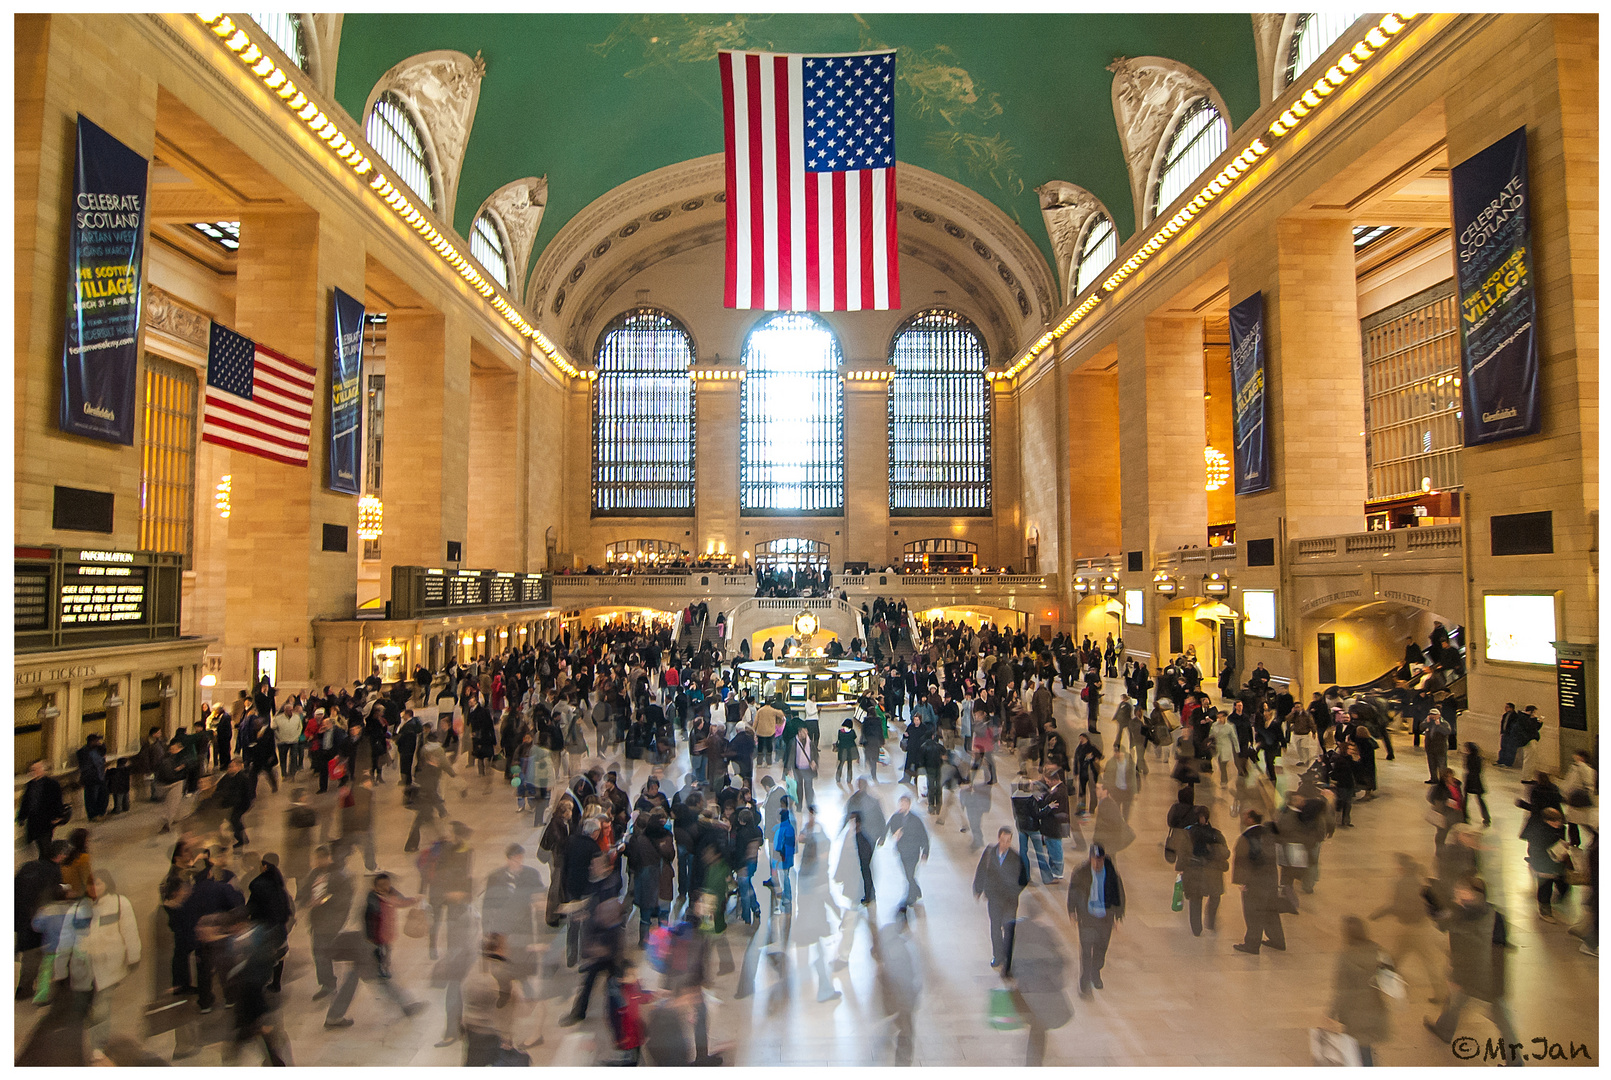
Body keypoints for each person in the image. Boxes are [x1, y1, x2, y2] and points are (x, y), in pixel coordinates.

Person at [1423, 877, 1520, 1050]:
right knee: (1456, 1001)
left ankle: (1514, 1060)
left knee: (1499, 1017)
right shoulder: (1493, 913)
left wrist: (1455, 976)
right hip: (1490, 973)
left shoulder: (1467, 915)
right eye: (1458, 890)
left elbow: (1459, 938)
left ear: (1476, 894)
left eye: (1463, 891)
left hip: (1477, 974)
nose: (1458, 893)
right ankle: (1443, 1030)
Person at [1330, 915, 1394, 1066]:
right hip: (1375, 1008)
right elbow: (1390, 982)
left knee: (1361, 1050)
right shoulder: (1379, 952)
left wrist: (1330, 1015)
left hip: (1354, 1013)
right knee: (1365, 1047)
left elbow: (1341, 990)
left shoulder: (1345, 956)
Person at [1066, 842, 1124, 998]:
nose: (1097, 863)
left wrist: (1118, 916)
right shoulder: (1081, 872)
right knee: (1086, 950)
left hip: (1105, 918)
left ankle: (1095, 971)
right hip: (1087, 917)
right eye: (1094, 859)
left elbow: (1119, 893)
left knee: (1101, 947)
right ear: (1090, 858)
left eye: (1100, 860)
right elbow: (1073, 892)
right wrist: (1072, 911)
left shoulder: (1111, 873)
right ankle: (1084, 982)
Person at [15, 840, 68, 1001]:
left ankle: (24, 988)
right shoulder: (53, 871)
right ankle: (27, 990)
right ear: (59, 855)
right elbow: (51, 894)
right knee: (35, 955)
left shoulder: (28, 866)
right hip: (36, 920)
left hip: (20, 917)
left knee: (28, 953)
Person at [972, 827, 1030, 973]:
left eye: (1008, 841)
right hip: (994, 899)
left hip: (1009, 901)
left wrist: (1015, 892)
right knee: (995, 928)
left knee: (1009, 930)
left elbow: (1024, 879)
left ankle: (1007, 963)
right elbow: (981, 870)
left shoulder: (1015, 858)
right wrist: (978, 889)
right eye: (1003, 840)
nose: (1005, 844)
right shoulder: (989, 853)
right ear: (998, 838)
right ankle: (998, 956)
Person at [302, 845, 354, 1001]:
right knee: (319, 953)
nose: (318, 861)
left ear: (328, 858)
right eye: (316, 858)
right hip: (318, 921)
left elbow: (344, 899)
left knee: (323, 952)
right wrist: (307, 901)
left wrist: (323, 900)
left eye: (321, 858)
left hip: (331, 922)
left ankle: (330, 984)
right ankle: (327, 983)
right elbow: (305, 892)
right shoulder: (314, 874)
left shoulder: (339, 876)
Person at [1232, 809, 1285, 954]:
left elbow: (1242, 862)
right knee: (1270, 911)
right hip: (1271, 880)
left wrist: (1242, 882)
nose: (1243, 818)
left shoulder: (1246, 837)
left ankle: (1252, 944)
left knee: (1253, 913)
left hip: (1255, 883)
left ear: (1251, 820)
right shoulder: (1268, 834)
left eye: (1245, 816)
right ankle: (1278, 940)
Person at [1177, 805, 1230, 936]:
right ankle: (1208, 922)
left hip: (1194, 870)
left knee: (1195, 899)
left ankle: (1197, 928)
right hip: (1211, 871)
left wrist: (1180, 868)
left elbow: (1182, 853)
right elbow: (1225, 852)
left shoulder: (1188, 833)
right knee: (1214, 896)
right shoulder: (1215, 834)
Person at [17, 760, 70, 859]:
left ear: (43, 770)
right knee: (37, 846)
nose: (34, 771)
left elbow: (57, 801)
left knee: (45, 846)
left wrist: (58, 817)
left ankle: (45, 866)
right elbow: (26, 802)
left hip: (46, 820)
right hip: (33, 821)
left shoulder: (52, 784)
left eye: (37, 769)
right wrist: (21, 817)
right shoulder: (30, 785)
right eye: (32, 769)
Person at [886, 794, 930, 910]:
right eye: (900, 803)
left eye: (904, 803)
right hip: (902, 850)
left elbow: (923, 836)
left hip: (913, 851)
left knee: (910, 873)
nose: (902, 806)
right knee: (908, 873)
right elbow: (890, 828)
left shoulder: (916, 820)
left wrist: (925, 852)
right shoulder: (896, 817)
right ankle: (916, 890)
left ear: (909, 805)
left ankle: (910, 897)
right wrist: (895, 833)